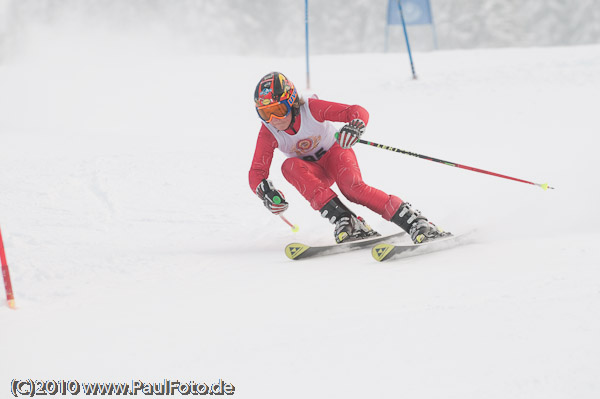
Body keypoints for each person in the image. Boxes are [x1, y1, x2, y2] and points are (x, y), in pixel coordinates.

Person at [249, 72, 449, 244]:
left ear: (291, 102)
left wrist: (355, 125)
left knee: (352, 188)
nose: (274, 120)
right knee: (289, 166)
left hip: (336, 154)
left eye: (278, 110)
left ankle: (415, 222)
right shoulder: (269, 132)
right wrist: (264, 192)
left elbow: (355, 111)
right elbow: (257, 172)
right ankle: (346, 220)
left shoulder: (311, 108)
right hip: (313, 172)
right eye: (266, 114)